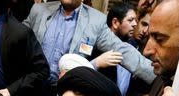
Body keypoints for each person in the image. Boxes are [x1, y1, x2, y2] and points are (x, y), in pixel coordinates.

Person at [23, 0, 155, 87]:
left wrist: (158, 76)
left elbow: (122, 50)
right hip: (30, 87)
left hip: (65, 92)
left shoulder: (96, 21)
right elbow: (16, 41)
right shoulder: (39, 10)